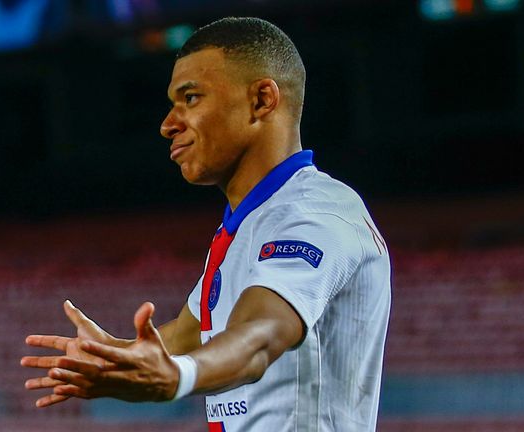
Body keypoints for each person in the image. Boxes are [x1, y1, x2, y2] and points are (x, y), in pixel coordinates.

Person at [21, 16, 391, 432]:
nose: (168, 124)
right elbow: (192, 333)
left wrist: (178, 377)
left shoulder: (314, 214)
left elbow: (260, 334)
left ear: (262, 100)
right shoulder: (251, 222)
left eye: (191, 98)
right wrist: (116, 357)